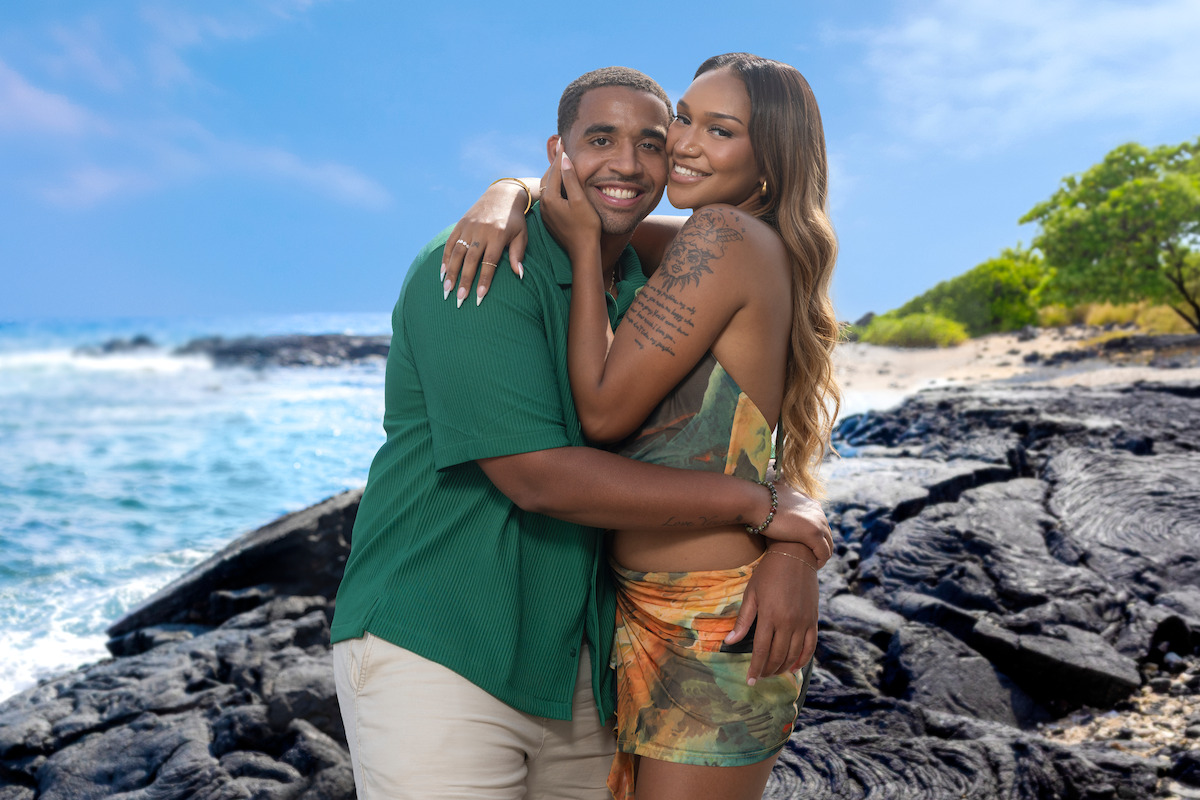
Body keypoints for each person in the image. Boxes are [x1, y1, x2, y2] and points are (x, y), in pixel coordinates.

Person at [331, 65, 832, 800]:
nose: (647, 158)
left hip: (665, 632)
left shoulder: (693, 249)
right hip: (443, 643)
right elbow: (539, 475)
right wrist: (509, 189)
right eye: (684, 124)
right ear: (558, 150)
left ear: (770, 159)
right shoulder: (482, 265)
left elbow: (702, 428)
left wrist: (795, 534)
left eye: (665, 139)